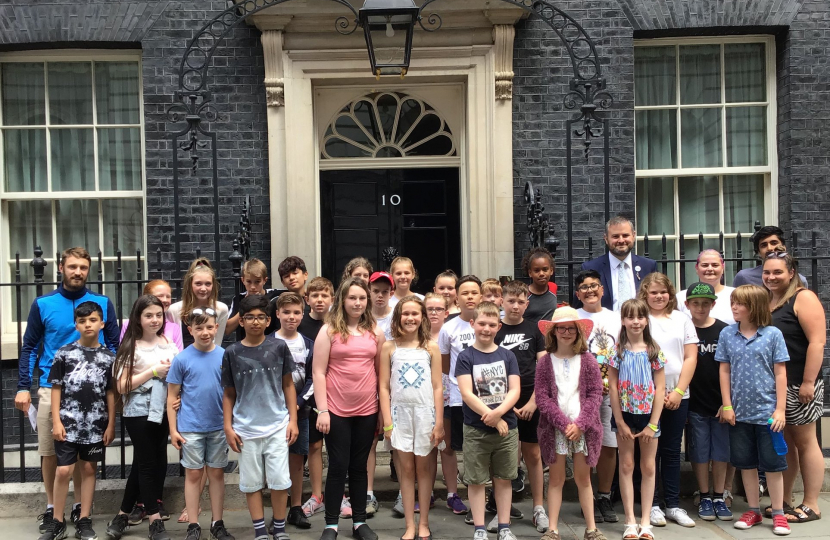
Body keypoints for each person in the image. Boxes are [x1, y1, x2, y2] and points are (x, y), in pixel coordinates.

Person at [15, 247, 120, 534]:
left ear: (89, 270)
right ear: (61, 268)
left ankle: (80, 509)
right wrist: (24, 386)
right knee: (52, 453)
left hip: (93, 390)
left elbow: (114, 345)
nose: (78, 272)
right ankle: (53, 509)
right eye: (72, 266)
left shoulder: (101, 303)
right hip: (53, 388)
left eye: (83, 267)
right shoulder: (43, 304)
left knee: (86, 460)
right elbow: (28, 347)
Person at [313, 277, 384, 540]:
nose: (357, 302)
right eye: (352, 297)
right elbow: (318, 372)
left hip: (367, 411)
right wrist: (323, 410)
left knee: (358, 466)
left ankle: (359, 522)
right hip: (336, 411)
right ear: (342, 299)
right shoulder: (329, 330)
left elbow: (381, 374)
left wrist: (381, 413)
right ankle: (331, 524)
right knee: (338, 465)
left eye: (362, 298)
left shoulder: (375, 331)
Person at [222, 294, 299, 540]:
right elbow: (229, 393)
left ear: (268, 321)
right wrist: (228, 427)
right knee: (251, 482)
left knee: (279, 480)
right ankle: (259, 530)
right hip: (246, 429)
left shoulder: (278, 347)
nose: (255, 322)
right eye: (249, 317)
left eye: (260, 317)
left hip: (277, 425)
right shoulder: (232, 352)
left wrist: (293, 420)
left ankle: (278, 527)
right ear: (241, 321)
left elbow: (288, 385)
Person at [717, 285, 790, 536]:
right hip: (739, 414)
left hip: (768, 414)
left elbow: (780, 373)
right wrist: (727, 404)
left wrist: (780, 409)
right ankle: (753, 510)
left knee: (773, 465)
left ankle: (779, 512)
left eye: (740, 303)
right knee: (746, 464)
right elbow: (724, 370)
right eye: (733, 302)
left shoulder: (772, 335)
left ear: (755, 306)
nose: (734, 307)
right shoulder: (727, 334)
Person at [40, 302, 116, 540]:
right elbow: (56, 388)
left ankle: (84, 519)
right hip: (68, 424)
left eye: (92, 320)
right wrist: (57, 421)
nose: (87, 325)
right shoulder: (64, 353)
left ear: (101, 323)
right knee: (63, 471)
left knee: (89, 468)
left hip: (95, 425)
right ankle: (57, 521)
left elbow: (111, 393)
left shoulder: (108, 358)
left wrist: (111, 424)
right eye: (82, 321)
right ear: (76, 324)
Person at [107, 295, 179, 540]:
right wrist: (153, 371)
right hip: (138, 412)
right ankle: (154, 521)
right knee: (148, 465)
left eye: (158, 315)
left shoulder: (169, 343)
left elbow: (178, 376)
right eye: (149, 315)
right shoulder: (131, 346)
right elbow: (123, 385)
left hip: (164, 411)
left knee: (146, 463)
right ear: (138, 317)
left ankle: (122, 515)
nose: (155, 319)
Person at [764, 250, 826, 523]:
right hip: (778, 386)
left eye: (778, 272)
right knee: (786, 442)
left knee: (805, 441)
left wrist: (809, 382)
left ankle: (811, 503)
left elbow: (817, 342)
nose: (771, 277)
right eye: (767, 272)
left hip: (801, 384)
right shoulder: (768, 300)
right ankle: (785, 501)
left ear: (791, 273)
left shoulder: (804, 298)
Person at [536, 307, 606, 540]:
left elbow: (596, 393)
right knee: (556, 479)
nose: (566, 332)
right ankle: (553, 529)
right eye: (561, 328)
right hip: (555, 429)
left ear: (578, 332)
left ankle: (591, 528)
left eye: (571, 328)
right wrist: (563, 423)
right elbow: (542, 397)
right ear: (553, 332)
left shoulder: (588, 360)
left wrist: (581, 424)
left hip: (583, 429)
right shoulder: (545, 362)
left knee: (583, 478)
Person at [166, 307, 234, 540]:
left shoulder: (225, 355)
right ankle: (193, 524)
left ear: (216, 328)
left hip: (218, 426)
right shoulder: (182, 358)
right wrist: (173, 429)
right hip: (190, 427)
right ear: (190, 330)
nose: (204, 332)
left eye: (209, 327)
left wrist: (230, 425)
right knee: (193, 475)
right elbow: (172, 396)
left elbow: (231, 392)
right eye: (199, 328)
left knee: (216, 474)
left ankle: (217, 522)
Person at [455, 302, 521, 540]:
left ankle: (504, 527)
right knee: (476, 480)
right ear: (473, 324)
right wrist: (492, 418)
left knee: (504, 479)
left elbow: (514, 391)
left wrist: (499, 415)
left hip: (507, 429)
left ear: (499, 327)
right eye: (481, 323)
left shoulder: (508, 355)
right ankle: (480, 529)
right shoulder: (465, 356)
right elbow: (466, 393)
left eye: (492, 325)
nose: (486, 329)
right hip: (476, 429)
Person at [379, 296, 444, 540]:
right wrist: (387, 422)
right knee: (405, 469)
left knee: (424, 469)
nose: (410, 318)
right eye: (405, 314)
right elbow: (384, 387)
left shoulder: (431, 347)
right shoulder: (389, 347)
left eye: (415, 314)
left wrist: (438, 422)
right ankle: (409, 524)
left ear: (422, 318)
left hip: (425, 414)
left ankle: (424, 522)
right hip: (400, 416)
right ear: (398, 317)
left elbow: (438, 386)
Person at [637, 273, 698, 528]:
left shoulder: (682, 319)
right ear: (645, 294)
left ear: (670, 294)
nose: (659, 296)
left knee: (672, 451)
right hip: (645, 396)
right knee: (648, 453)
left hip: (676, 394)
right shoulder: (641, 319)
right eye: (654, 292)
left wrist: (678, 391)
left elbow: (691, 357)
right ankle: (650, 506)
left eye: (663, 292)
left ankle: (672, 504)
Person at [606, 299, 666, 540]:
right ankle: (630, 520)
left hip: (648, 416)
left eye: (640, 317)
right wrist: (619, 421)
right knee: (627, 465)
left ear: (646, 320)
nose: (635, 322)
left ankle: (645, 521)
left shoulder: (654, 351)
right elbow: (612, 387)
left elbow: (660, 389)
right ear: (623, 320)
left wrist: (653, 423)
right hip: (625, 415)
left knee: (649, 466)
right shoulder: (616, 351)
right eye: (630, 317)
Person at [494, 281, 548, 532]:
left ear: (527, 303)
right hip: (500, 400)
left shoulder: (535, 330)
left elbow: (544, 369)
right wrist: (501, 406)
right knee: (504, 457)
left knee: (533, 455)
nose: (515, 306)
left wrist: (534, 402)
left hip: (529, 399)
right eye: (510, 301)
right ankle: (499, 510)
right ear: (502, 302)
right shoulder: (494, 330)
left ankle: (538, 508)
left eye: (520, 302)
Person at [573, 270, 621, 524]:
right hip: (580, 392)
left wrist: (612, 382)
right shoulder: (573, 318)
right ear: (578, 293)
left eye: (594, 286)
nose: (590, 290)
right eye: (584, 287)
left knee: (609, 443)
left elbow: (623, 350)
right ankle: (586, 495)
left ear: (602, 290)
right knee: (583, 444)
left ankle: (604, 495)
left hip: (610, 390)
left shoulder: (616, 318)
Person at [683, 282, 732, 522]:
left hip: (720, 402)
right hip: (694, 402)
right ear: (687, 305)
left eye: (705, 303)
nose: (700, 307)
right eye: (695, 303)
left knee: (721, 451)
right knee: (700, 451)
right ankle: (704, 494)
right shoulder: (683, 329)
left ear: (713, 304)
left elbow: (731, 369)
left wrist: (728, 403)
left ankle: (719, 495)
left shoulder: (725, 331)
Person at [439, 275, 482, 520]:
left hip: (485, 398)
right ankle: (453, 493)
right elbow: (445, 365)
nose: (469, 297)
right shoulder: (449, 328)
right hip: (456, 397)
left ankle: (481, 497)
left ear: (481, 295)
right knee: (452, 447)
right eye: (464, 293)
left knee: (478, 448)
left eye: (473, 292)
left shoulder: (489, 322)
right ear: (457, 296)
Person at [273, 293, 316, 530]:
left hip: (300, 412)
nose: (291, 317)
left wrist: (298, 403)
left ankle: (296, 507)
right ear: (277, 314)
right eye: (286, 312)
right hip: (273, 413)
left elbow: (312, 378)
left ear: (302, 314)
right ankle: (278, 508)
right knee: (276, 460)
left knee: (298, 459)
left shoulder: (309, 344)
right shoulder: (269, 342)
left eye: (296, 312)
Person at [299, 277, 334, 519]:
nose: (319, 300)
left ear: (332, 299)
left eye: (324, 296)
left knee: (336, 447)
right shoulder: (300, 326)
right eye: (315, 295)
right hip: (310, 397)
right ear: (307, 298)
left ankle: (337, 495)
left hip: (338, 394)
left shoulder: (338, 323)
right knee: (314, 445)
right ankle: (316, 495)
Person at [574, 216, 657, 312]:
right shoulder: (591, 268)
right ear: (606, 238)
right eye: (615, 236)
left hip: (638, 325)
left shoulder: (648, 266)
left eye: (625, 235)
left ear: (633, 236)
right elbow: (579, 305)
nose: (621, 240)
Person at [168, 258, 229, 346]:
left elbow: (217, 343)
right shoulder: (174, 310)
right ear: (190, 284)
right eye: (198, 284)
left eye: (208, 284)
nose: (203, 289)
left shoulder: (221, 309)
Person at [120, 279, 184, 350]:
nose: (165, 300)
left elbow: (179, 355)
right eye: (160, 296)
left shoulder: (174, 328)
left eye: (168, 296)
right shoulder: (129, 324)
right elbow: (124, 351)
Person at [733, 226, 806, 287]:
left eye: (774, 243)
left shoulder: (799, 280)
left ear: (784, 247)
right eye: (764, 245)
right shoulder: (744, 277)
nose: (770, 248)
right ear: (758, 252)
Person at [676, 250, 736, 325]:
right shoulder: (681, 297)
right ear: (697, 268)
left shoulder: (735, 294)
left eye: (715, 265)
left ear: (722, 268)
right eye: (705, 265)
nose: (710, 269)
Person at [226, 258, 279, 336]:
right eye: (249, 282)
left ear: (265, 280)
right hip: (246, 345)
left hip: (270, 344)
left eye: (257, 281)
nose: (253, 287)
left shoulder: (275, 295)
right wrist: (244, 306)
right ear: (243, 280)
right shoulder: (239, 298)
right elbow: (227, 330)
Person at [521, 248, 557, 323]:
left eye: (545, 269)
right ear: (530, 273)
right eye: (536, 270)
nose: (541, 274)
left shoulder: (553, 287)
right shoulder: (524, 294)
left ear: (551, 270)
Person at [370, 271, 395, 338]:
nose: (380, 295)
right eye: (376, 291)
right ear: (369, 292)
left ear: (391, 294)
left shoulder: (397, 316)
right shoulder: (363, 317)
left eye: (385, 292)